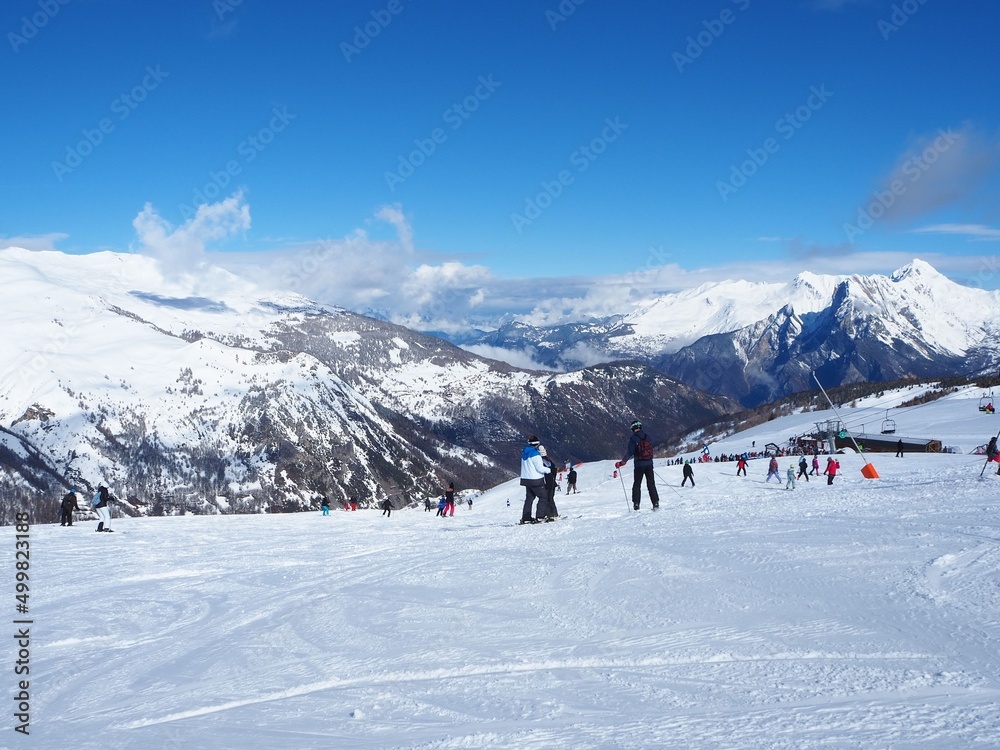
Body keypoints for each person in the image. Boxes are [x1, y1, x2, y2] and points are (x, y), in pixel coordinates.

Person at [615, 420, 660, 511]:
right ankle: (655, 502)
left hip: (639, 465)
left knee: (637, 484)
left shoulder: (633, 439)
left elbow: (630, 452)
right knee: (651, 484)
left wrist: (622, 462)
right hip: (649, 464)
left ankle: (636, 504)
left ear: (632, 429)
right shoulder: (647, 437)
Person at [520, 435, 551, 524]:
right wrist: (549, 470)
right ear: (537, 444)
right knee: (543, 497)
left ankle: (526, 518)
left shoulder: (524, 452)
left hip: (526, 479)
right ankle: (540, 517)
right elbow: (540, 468)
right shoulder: (535, 454)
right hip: (536, 480)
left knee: (529, 498)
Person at [541, 450, 559, 518]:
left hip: (546, 483)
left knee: (546, 499)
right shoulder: (550, 462)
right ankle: (554, 513)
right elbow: (554, 471)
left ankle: (549, 514)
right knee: (551, 498)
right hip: (552, 483)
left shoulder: (541, 463)